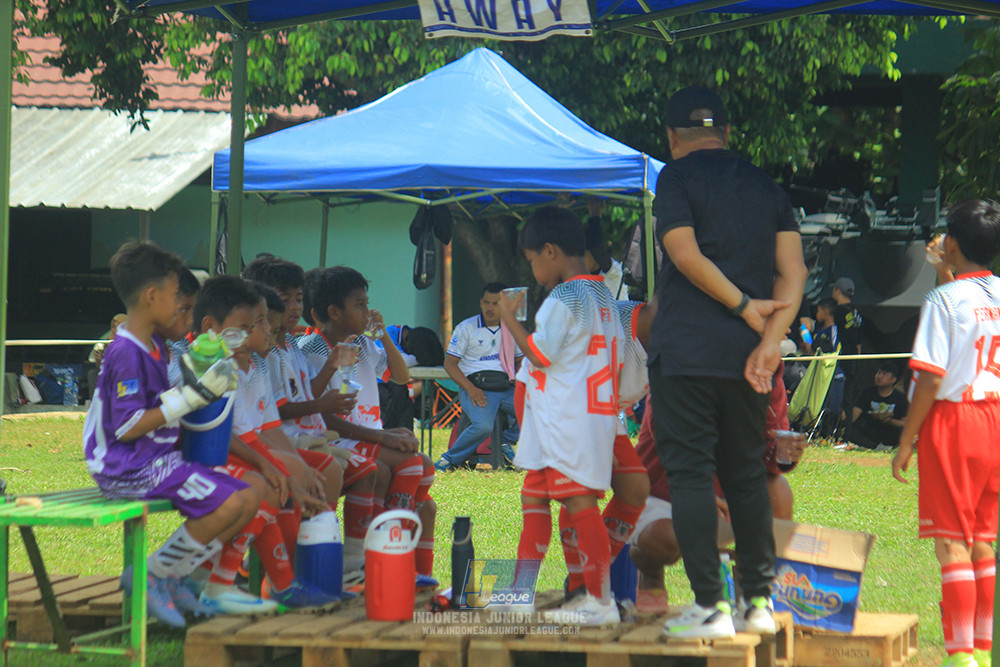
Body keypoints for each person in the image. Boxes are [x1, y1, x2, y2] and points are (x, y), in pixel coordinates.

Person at [648, 86, 806, 638]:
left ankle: (710, 607)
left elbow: (684, 252)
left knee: (691, 474)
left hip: (688, 353)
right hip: (749, 360)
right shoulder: (765, 184)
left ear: (672, 137)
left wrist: (742, 306)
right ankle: (757, 604)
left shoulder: (675, 178)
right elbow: (794, 273)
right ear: (728, 133)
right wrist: (769, 338)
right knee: (746, 476)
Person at [83, 241, 257, 628]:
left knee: (247, 497)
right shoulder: (126, 352)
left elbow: (164, 402)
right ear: (152, 296)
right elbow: (127, 427)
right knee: (228, 505)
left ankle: (175, 577)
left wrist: (212, 369)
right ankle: (151, 576)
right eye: (180, 301)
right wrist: (192, 396)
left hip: (155, 459)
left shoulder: (156, 344)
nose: (186, 311)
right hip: (125, 467)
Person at [498, 206, 624, 626]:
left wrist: (507, 320)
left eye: (532, 259)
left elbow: (538, 353)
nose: (532, 268)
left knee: (579, 504)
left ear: (549, 251)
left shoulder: (564, 297)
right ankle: (518, 592)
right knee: (533, 498)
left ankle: (601, 601)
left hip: (568, 420)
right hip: (570, 418)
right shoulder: (603, 292)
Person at [892, 199, 1000, 667]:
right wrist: (944, 269)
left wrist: (906, 438)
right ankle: (980, 646)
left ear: (951, 242)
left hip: (955, 422)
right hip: (994, 419)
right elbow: (970, 320)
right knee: (981, 537)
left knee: (951, 540)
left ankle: (958, 657)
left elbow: (933, 376)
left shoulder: (943, 301)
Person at [298, 266, 438, 587]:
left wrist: (384, 335)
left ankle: (399, 567)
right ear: (333, 312)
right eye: (359, 305)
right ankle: (390, 561)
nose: (367, 311)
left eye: (367, 303)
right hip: (340, 440)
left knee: (423, 489)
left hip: (366, 439)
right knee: (413, 465)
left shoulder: (361, 343)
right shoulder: (316, 351)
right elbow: (325, 416)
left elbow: (401, 377)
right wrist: (382, 435)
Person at [244, 256, 379, 583]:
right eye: (284, 298)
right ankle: (312, 561)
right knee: (329, 470)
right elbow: (281, 411)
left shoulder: (290, 346)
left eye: (298, 298)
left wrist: (328, 373)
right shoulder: (265, 354)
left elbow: (302, 395)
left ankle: (349, 559)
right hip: (287, 440)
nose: (293, 306)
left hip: (302, 437)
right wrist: (322, 403)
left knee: (369, 470)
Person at [629, 372, 805, 614]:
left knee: (778, 491)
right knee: (666, 539)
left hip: (727, 501)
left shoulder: (768, 373)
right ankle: (651, 578)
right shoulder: (682, 365)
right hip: (669, 493)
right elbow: (670, 439)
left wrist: (784, 455)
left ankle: (753, 594)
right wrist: (698, 491)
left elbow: (771, 442)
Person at [436, 283, 521, 472]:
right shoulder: (467, 327)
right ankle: (448, 460)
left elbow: (520, 360)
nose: (490, 308)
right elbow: (450, 364)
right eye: (486, 303)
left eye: (495, 303)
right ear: (481, 303)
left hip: (506, 386)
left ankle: (506, 442)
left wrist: (520, 382)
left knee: (537, 411)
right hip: (476, 385)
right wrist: (471, 389)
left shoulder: (512, 327)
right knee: (482, 426)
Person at [846, 362, 908, 450]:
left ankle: (887, 446)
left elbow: (905, 423)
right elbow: (855, 414)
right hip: (870, 429)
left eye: (884, 374)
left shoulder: (900, 398)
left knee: (902, 431)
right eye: (878, 373)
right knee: (850, 430)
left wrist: (889, 420)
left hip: (890, 431)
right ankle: (875, 446)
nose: (879, 376)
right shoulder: (867, 392)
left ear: (893, 380)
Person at [831, 276, 863, 404]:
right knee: (848, 397)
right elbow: (859, 338)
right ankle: (847, 423)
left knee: (837, 395)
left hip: (841, 358)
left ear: (837, 291)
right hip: (854, 357)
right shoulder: (856, 312)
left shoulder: (838, 312)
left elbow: (834, 335)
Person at [87, 312, 126, 399]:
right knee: (92, 374)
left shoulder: (132, 342)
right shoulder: (106, 342)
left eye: (119, 326)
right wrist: (100, 360)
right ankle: (96, 405)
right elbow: (102, 368)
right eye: (114, 326)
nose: (116, 330)